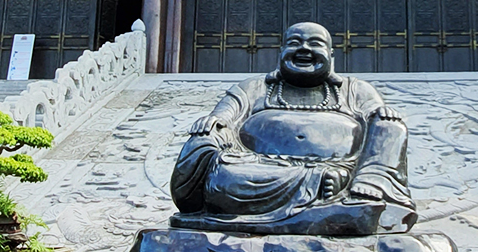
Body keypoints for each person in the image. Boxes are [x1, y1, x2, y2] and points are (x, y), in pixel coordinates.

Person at [169, 22, 414, 236]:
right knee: (223, 175)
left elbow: (379, 118)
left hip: (343, 166)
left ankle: (369, 186)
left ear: (331, 55)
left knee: (390, 125)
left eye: (315, 44)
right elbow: (222, 118)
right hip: (260, 170)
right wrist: (213, 124)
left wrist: (384, 117)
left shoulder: (356, 90)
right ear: (281, 51)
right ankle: (324, 189)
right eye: (295, 43)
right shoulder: (253, 88)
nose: (304, 49)